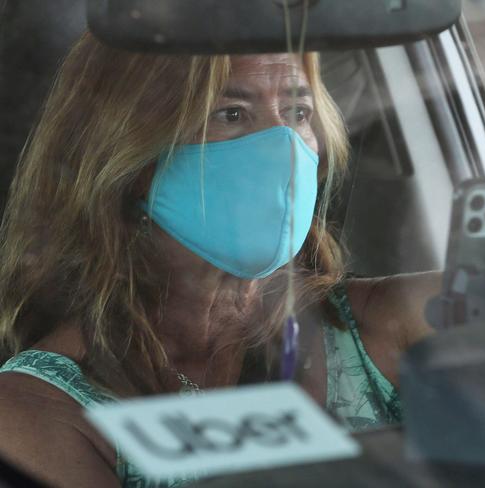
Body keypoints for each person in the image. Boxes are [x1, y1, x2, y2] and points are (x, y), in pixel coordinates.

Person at [0, 32, 435, 487]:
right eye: (231, 114)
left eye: (297, 113)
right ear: (130, 156)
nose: (282, 148)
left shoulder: (381, 325)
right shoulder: (38, 411)